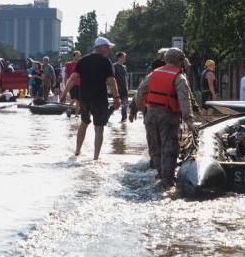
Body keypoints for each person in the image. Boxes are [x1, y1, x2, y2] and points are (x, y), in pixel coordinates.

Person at [131, 47, 194, 188]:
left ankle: (160, 174)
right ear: (180, 60)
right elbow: (184, 100)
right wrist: (189, 121)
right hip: (168, 116)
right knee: (169, 148)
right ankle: (167, 180)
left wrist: (143, 110)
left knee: (155, 147)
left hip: (150, 115)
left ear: (165, 59)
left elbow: (140, 92)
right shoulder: (179, 77)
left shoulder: (153, 74)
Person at [61, 37, 120, 160]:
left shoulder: (83, 60)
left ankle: (77, 152)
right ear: (101, 47)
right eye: (107, 46)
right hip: (99, 99)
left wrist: (64, 93)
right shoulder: (105, 61)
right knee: (99, 128)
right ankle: (95, 158)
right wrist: (116, 97)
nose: (109, 48)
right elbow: (111, 81)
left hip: (84, 98)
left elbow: (72, 78)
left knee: (84, 123)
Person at [113, 51, 129, 122]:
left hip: (124, 88)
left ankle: (124, 119)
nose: (125, 58)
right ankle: (107, 115)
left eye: (125, 57)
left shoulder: (124, 67)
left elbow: (125, 78)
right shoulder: (114, 66)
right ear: (119, 58)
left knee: (125, 104)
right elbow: (111, 78)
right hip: (117, 88)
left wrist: (127, 86)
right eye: (123, 57)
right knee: (116, 105)